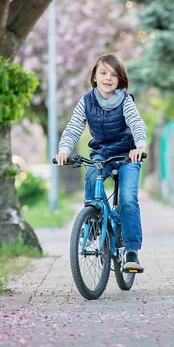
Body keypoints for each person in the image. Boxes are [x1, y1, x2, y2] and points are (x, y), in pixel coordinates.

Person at [55, 53, 147, 273]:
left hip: (127, 154)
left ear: (120, 79)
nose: (108, 78)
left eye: (114, 75)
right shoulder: (86, 101)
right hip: (102, 154)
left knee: (127, 198)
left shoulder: (125, 100)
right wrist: (64, 150)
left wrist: (140, 146)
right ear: (94, 77)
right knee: (90, 179)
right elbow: (74, 127)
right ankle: (93, 223)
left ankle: (132, 251)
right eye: (103, 73)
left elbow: (136, 122)